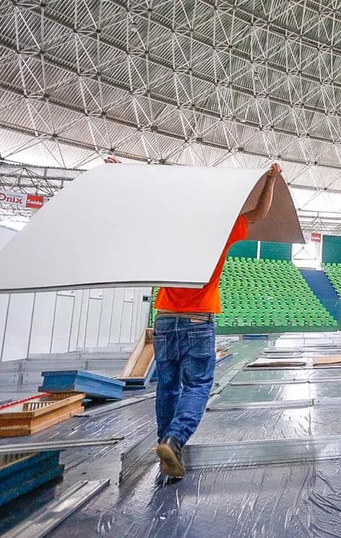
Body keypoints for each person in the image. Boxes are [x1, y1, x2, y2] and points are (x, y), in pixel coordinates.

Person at [104, 157, 282, 479]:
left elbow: (138, 208)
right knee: (198, 385)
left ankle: (165, 449)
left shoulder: (168, 229)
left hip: (165, 319)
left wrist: (121, 174)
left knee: (167, 388)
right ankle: (174, 440)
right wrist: (270, 179)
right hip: (199, 320)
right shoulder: (223, 229)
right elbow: (258, 214)